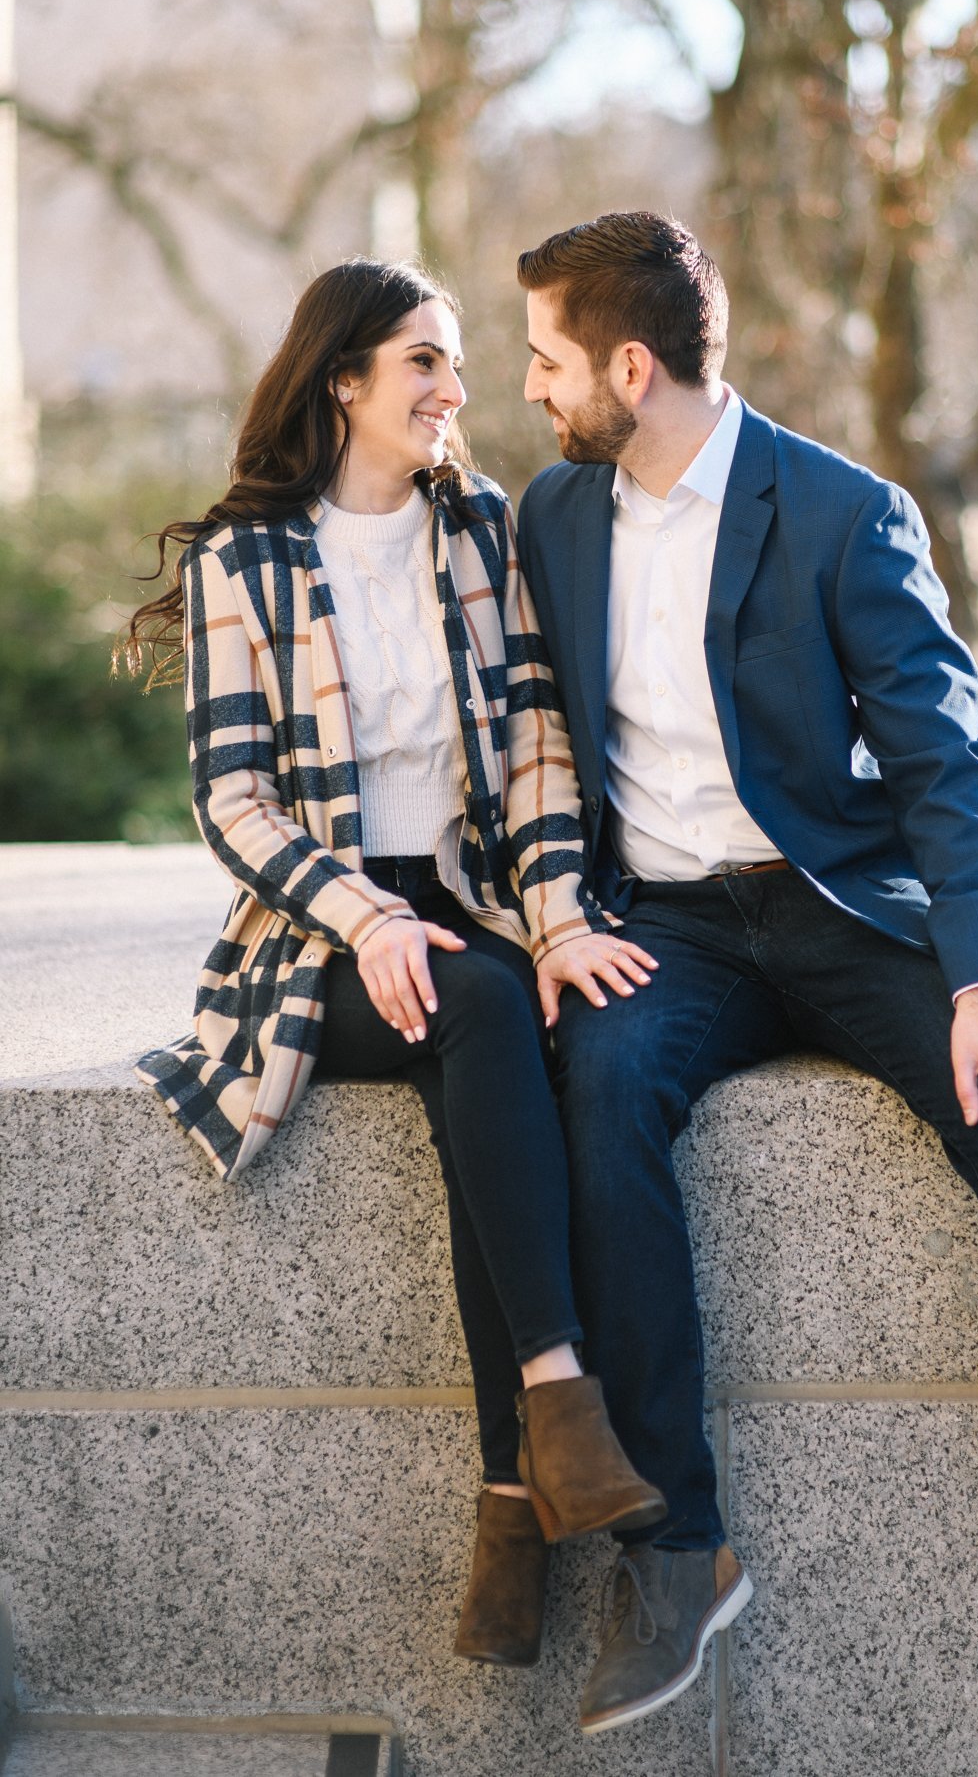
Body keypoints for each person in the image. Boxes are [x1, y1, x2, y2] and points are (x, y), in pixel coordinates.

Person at [510, 212, 978, 1757]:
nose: (533, 386)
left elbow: (953, 768)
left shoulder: (846, 513)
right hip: (668, 928)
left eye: (546, 357)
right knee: (596, 1091)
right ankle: (675, 1550)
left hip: (851, 911)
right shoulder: (555, 516)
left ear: (630, 366)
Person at [127, 257, 665, 1671]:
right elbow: (232, 803)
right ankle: (557, 1396)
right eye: (424, 361)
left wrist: (555, 917)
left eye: (459, 361)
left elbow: (543, 743)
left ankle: (516, 1493)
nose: (455, 389)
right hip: (320, 934)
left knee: (498, 1021)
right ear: (345, 380)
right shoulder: (247, 563)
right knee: (477, 1013)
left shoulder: (479, 532)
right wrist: (365, 917)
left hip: (478, 905)